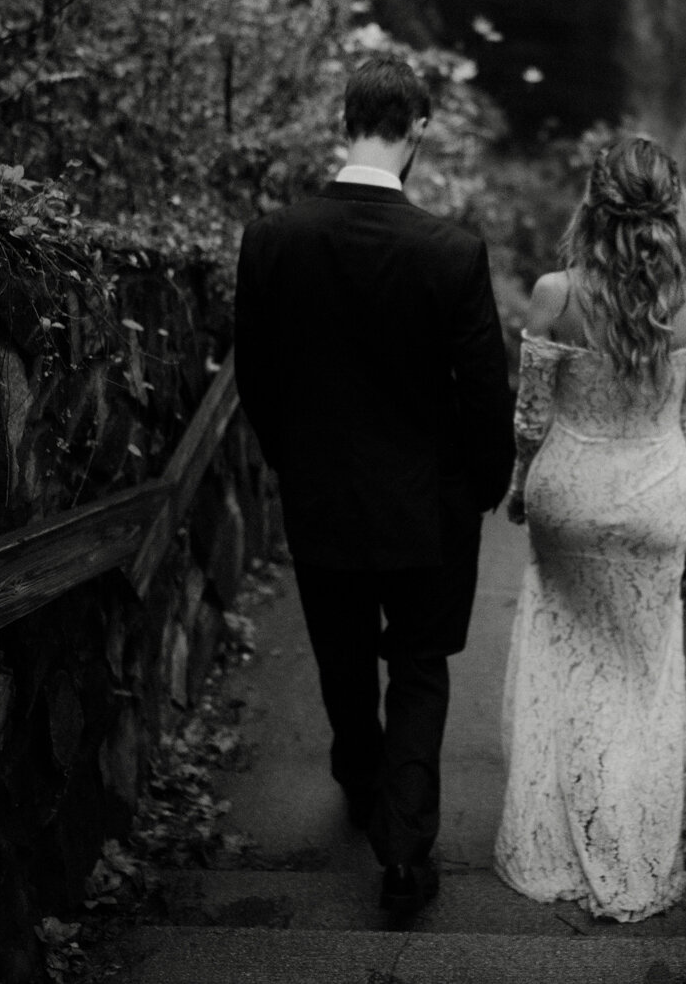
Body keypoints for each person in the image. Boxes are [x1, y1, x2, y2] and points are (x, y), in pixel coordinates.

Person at [234, 55, 515, 915]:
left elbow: (257, 379)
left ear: (343, 119)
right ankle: (405, 846)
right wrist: (483, 486)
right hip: (426, 508)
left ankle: (360, 779)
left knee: (344, 657)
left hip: (323, 498)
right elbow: (483, 389)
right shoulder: (452, 252)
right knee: (421, 669)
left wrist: (295, 464)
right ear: (418, 130)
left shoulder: (272, 239)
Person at [492, 136, 686, 922]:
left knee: (564, 661)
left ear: (591, 203)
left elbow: (530, 419)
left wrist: (524, 486)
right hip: (656, 496)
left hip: (571, 493)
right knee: (641, 674)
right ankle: (637, 838)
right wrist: (678, 507)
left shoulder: (555, 292)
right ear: (672, 205)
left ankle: (558, 834)